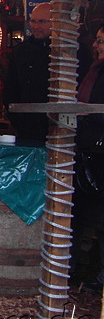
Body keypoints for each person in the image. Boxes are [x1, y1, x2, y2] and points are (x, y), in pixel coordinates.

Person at [72, 26, 104, 292]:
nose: (98, 45)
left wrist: (88, 113)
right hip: (90, 148)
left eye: (103, 41)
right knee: (88, 211)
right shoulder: (94, 69)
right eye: (98, 39)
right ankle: (83, 264)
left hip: (100, 147)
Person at [2, 2, 52, 144]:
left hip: (61, 127)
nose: (36, 26)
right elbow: (11, 88)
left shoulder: (71, 52)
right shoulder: (21, 51)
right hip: (28, 128)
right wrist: (19, 120)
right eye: (33, 21)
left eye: (42, 22)